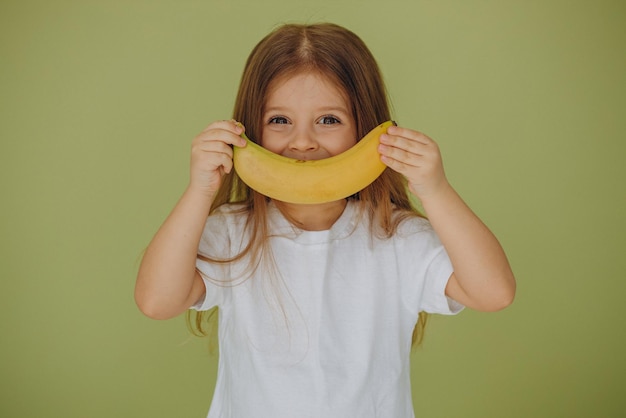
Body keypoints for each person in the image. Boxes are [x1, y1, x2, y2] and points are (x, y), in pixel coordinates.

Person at [135, 22, 515, 418]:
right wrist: (200, 190)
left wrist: (437, 190)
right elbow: (157, 301)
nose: (303, 142)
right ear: (248, 129)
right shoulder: (233, 232)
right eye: (279, 120)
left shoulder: (396, 236)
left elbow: (493, 293)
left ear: (365, 130)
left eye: (329, 120)